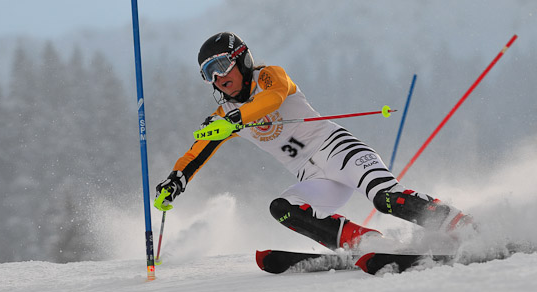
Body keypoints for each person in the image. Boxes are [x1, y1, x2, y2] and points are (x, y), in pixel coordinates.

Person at [154, 32, 470, 251]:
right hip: (314, 177)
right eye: (208, 73)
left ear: (242, 59)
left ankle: (461, 225)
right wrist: (175, 180)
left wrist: (233, 120)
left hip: (340, 151)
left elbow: (272, 100)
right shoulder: (225, 113)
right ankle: (367, 243)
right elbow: (197, 153)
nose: (218, 78)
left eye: (221, 65)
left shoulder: (269, 76)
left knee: (385, 199)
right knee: (283, 208)